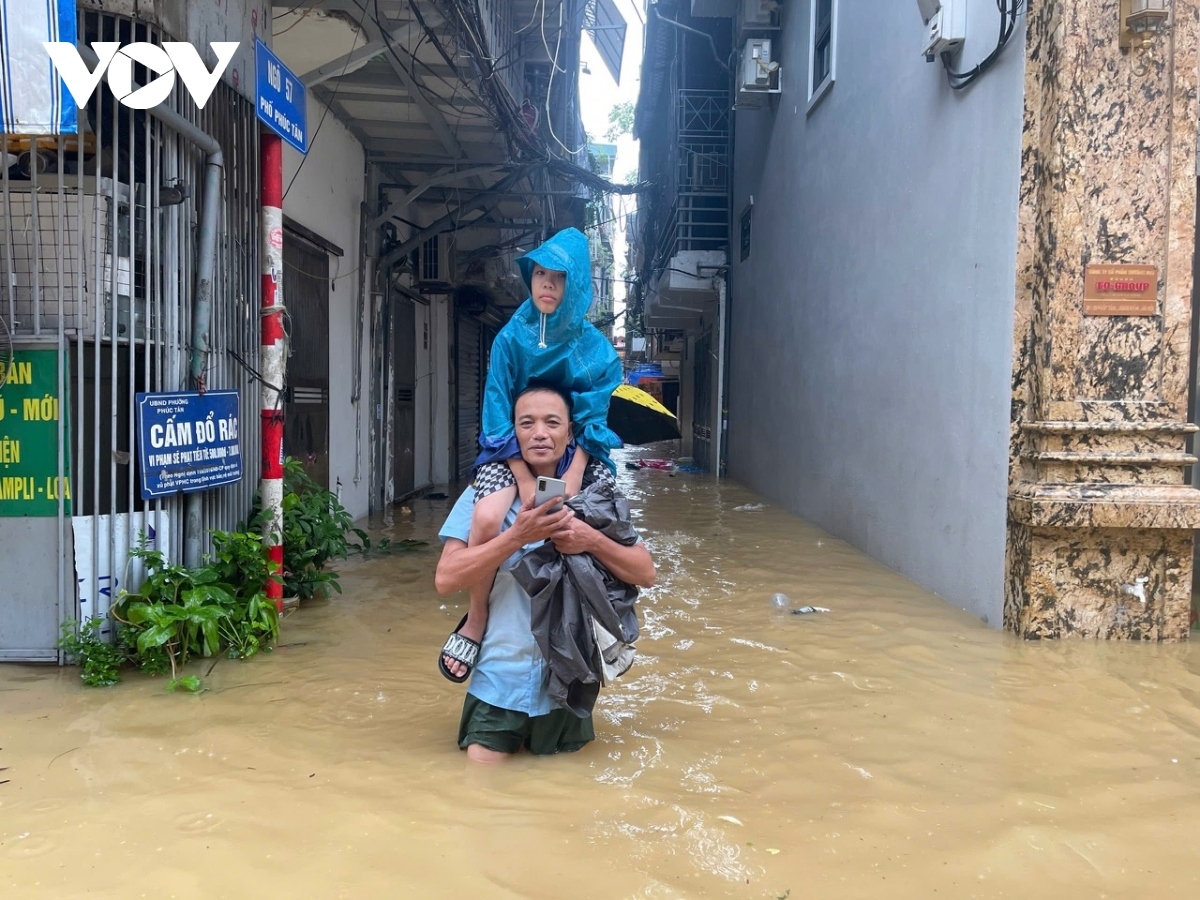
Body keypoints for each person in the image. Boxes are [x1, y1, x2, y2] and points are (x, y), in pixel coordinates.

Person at [438, 227, 623, 682]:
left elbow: (595, 415)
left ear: (575, 285)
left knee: (595, 525)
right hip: (512, 450)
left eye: (557, 278)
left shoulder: (596, 349)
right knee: (486, 519)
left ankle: (603, 627)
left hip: (577, 448)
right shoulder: (510, 338)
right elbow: (497, 410)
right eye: (539, 274)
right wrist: (521, 476)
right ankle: (477, 617)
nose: (545, 285)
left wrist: (577, 467)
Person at [435, 386, 655, 761]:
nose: (540, 433)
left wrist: (589, 539)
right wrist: (518, 536)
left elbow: (645, 572)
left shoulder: (595, 496)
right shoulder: (485, 496)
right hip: (498, 677)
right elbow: (446, 578)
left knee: (567, 798)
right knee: (478, 787)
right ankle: (476, 622)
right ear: (513, 434)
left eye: (552, 423)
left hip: (570, 681)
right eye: (527, 423)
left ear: (570, 432)